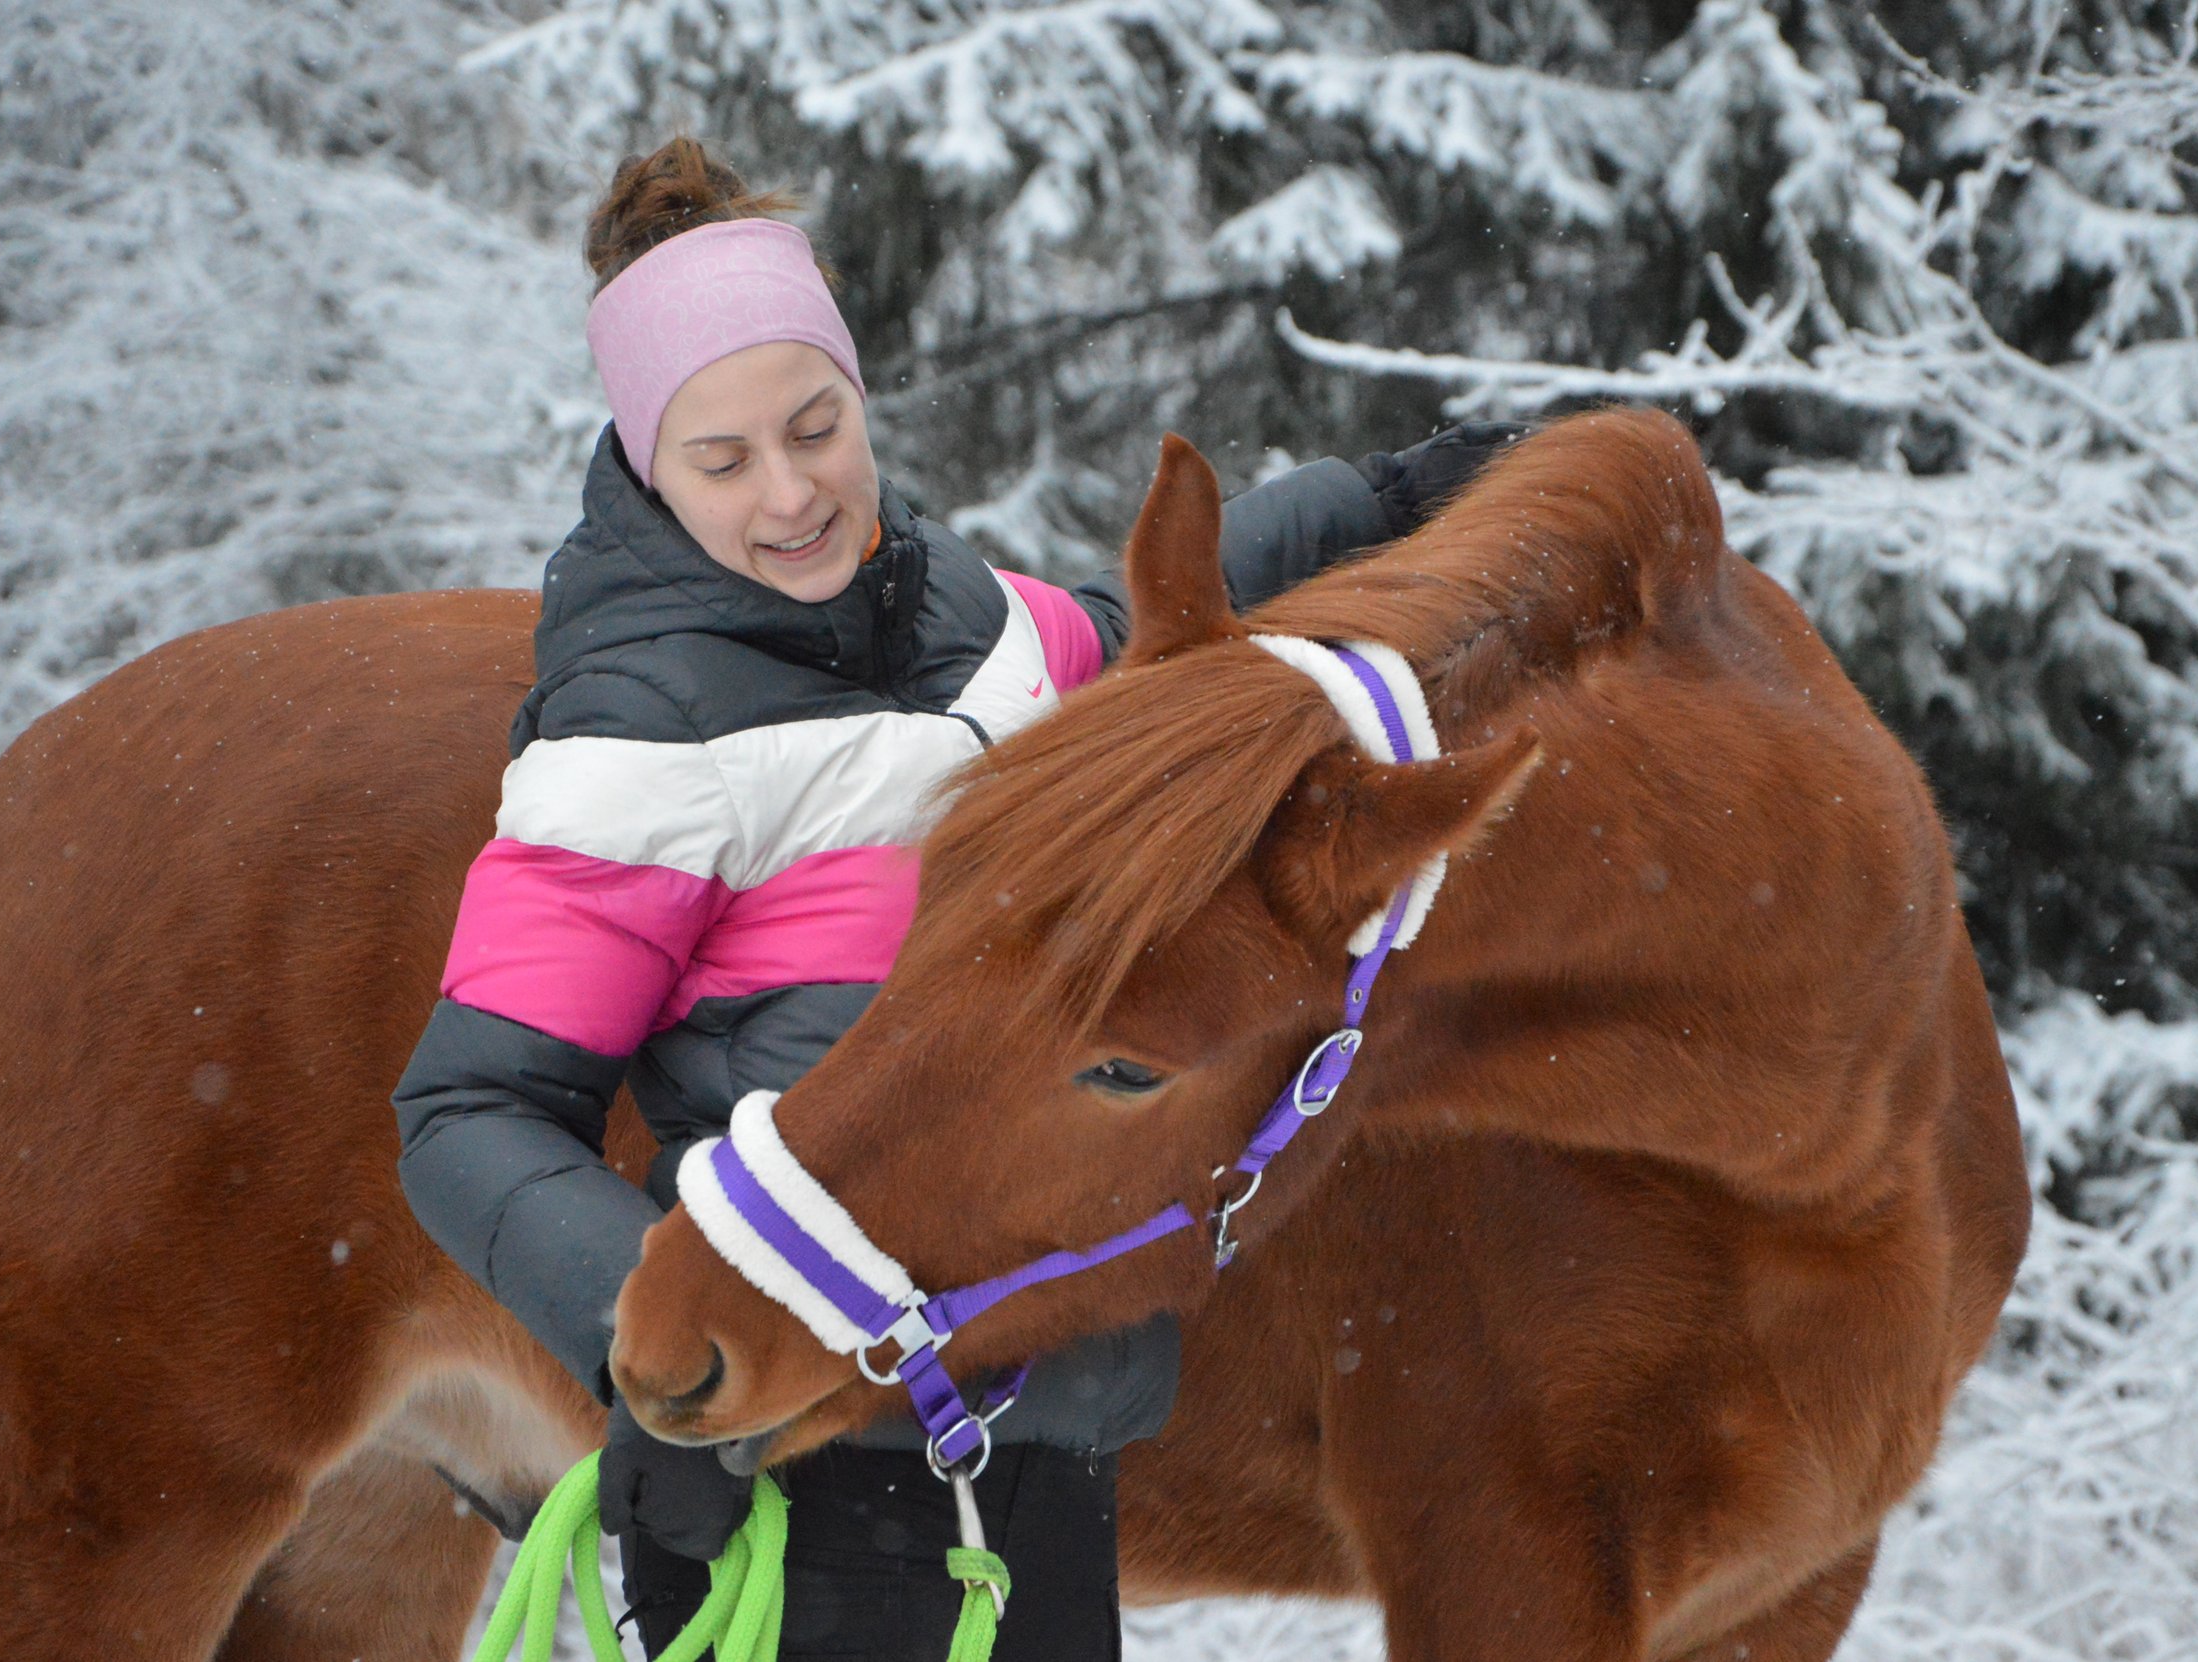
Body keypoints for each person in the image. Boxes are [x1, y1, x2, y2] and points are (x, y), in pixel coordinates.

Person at [392, 134, 1520, 1659]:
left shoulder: (983, 630)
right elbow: (472, 1107)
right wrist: (641, 1360)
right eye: (723, 461)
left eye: (817, 426)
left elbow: (1132, 633)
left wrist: (1377, 496)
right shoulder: (634, 737)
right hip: (803, 1465)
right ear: (650, 465)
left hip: (1036, 1444)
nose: (791, 491)